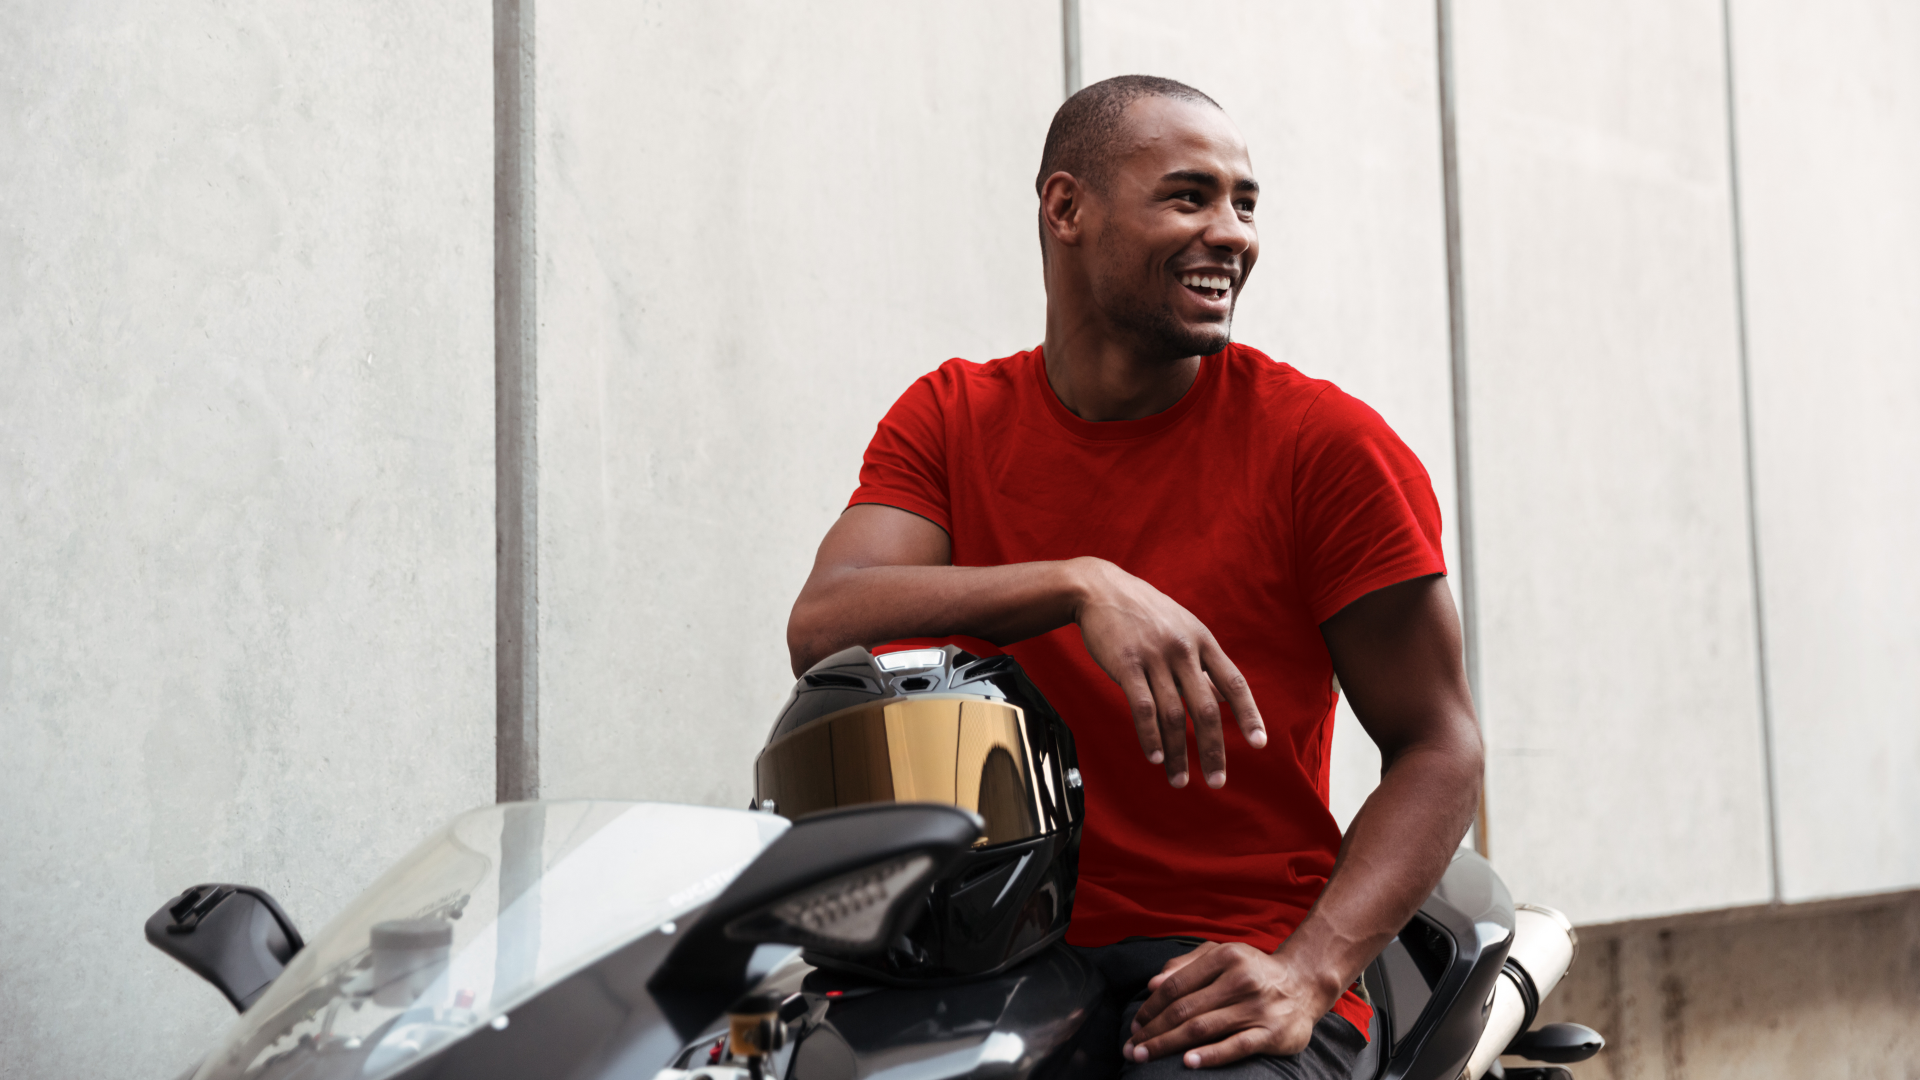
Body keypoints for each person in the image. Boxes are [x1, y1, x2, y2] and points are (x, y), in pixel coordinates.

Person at [786, 75, 1482, 1079]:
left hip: (1231, 954)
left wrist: (1309, 970)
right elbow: (827, 624)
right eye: (1189, 196)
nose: (1232, 232)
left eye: (1245, 203)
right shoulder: (950, 418)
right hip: (995, 955)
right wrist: (1079, 584)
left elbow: (1440, 744)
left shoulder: (1325, 449)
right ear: (1066, 209)